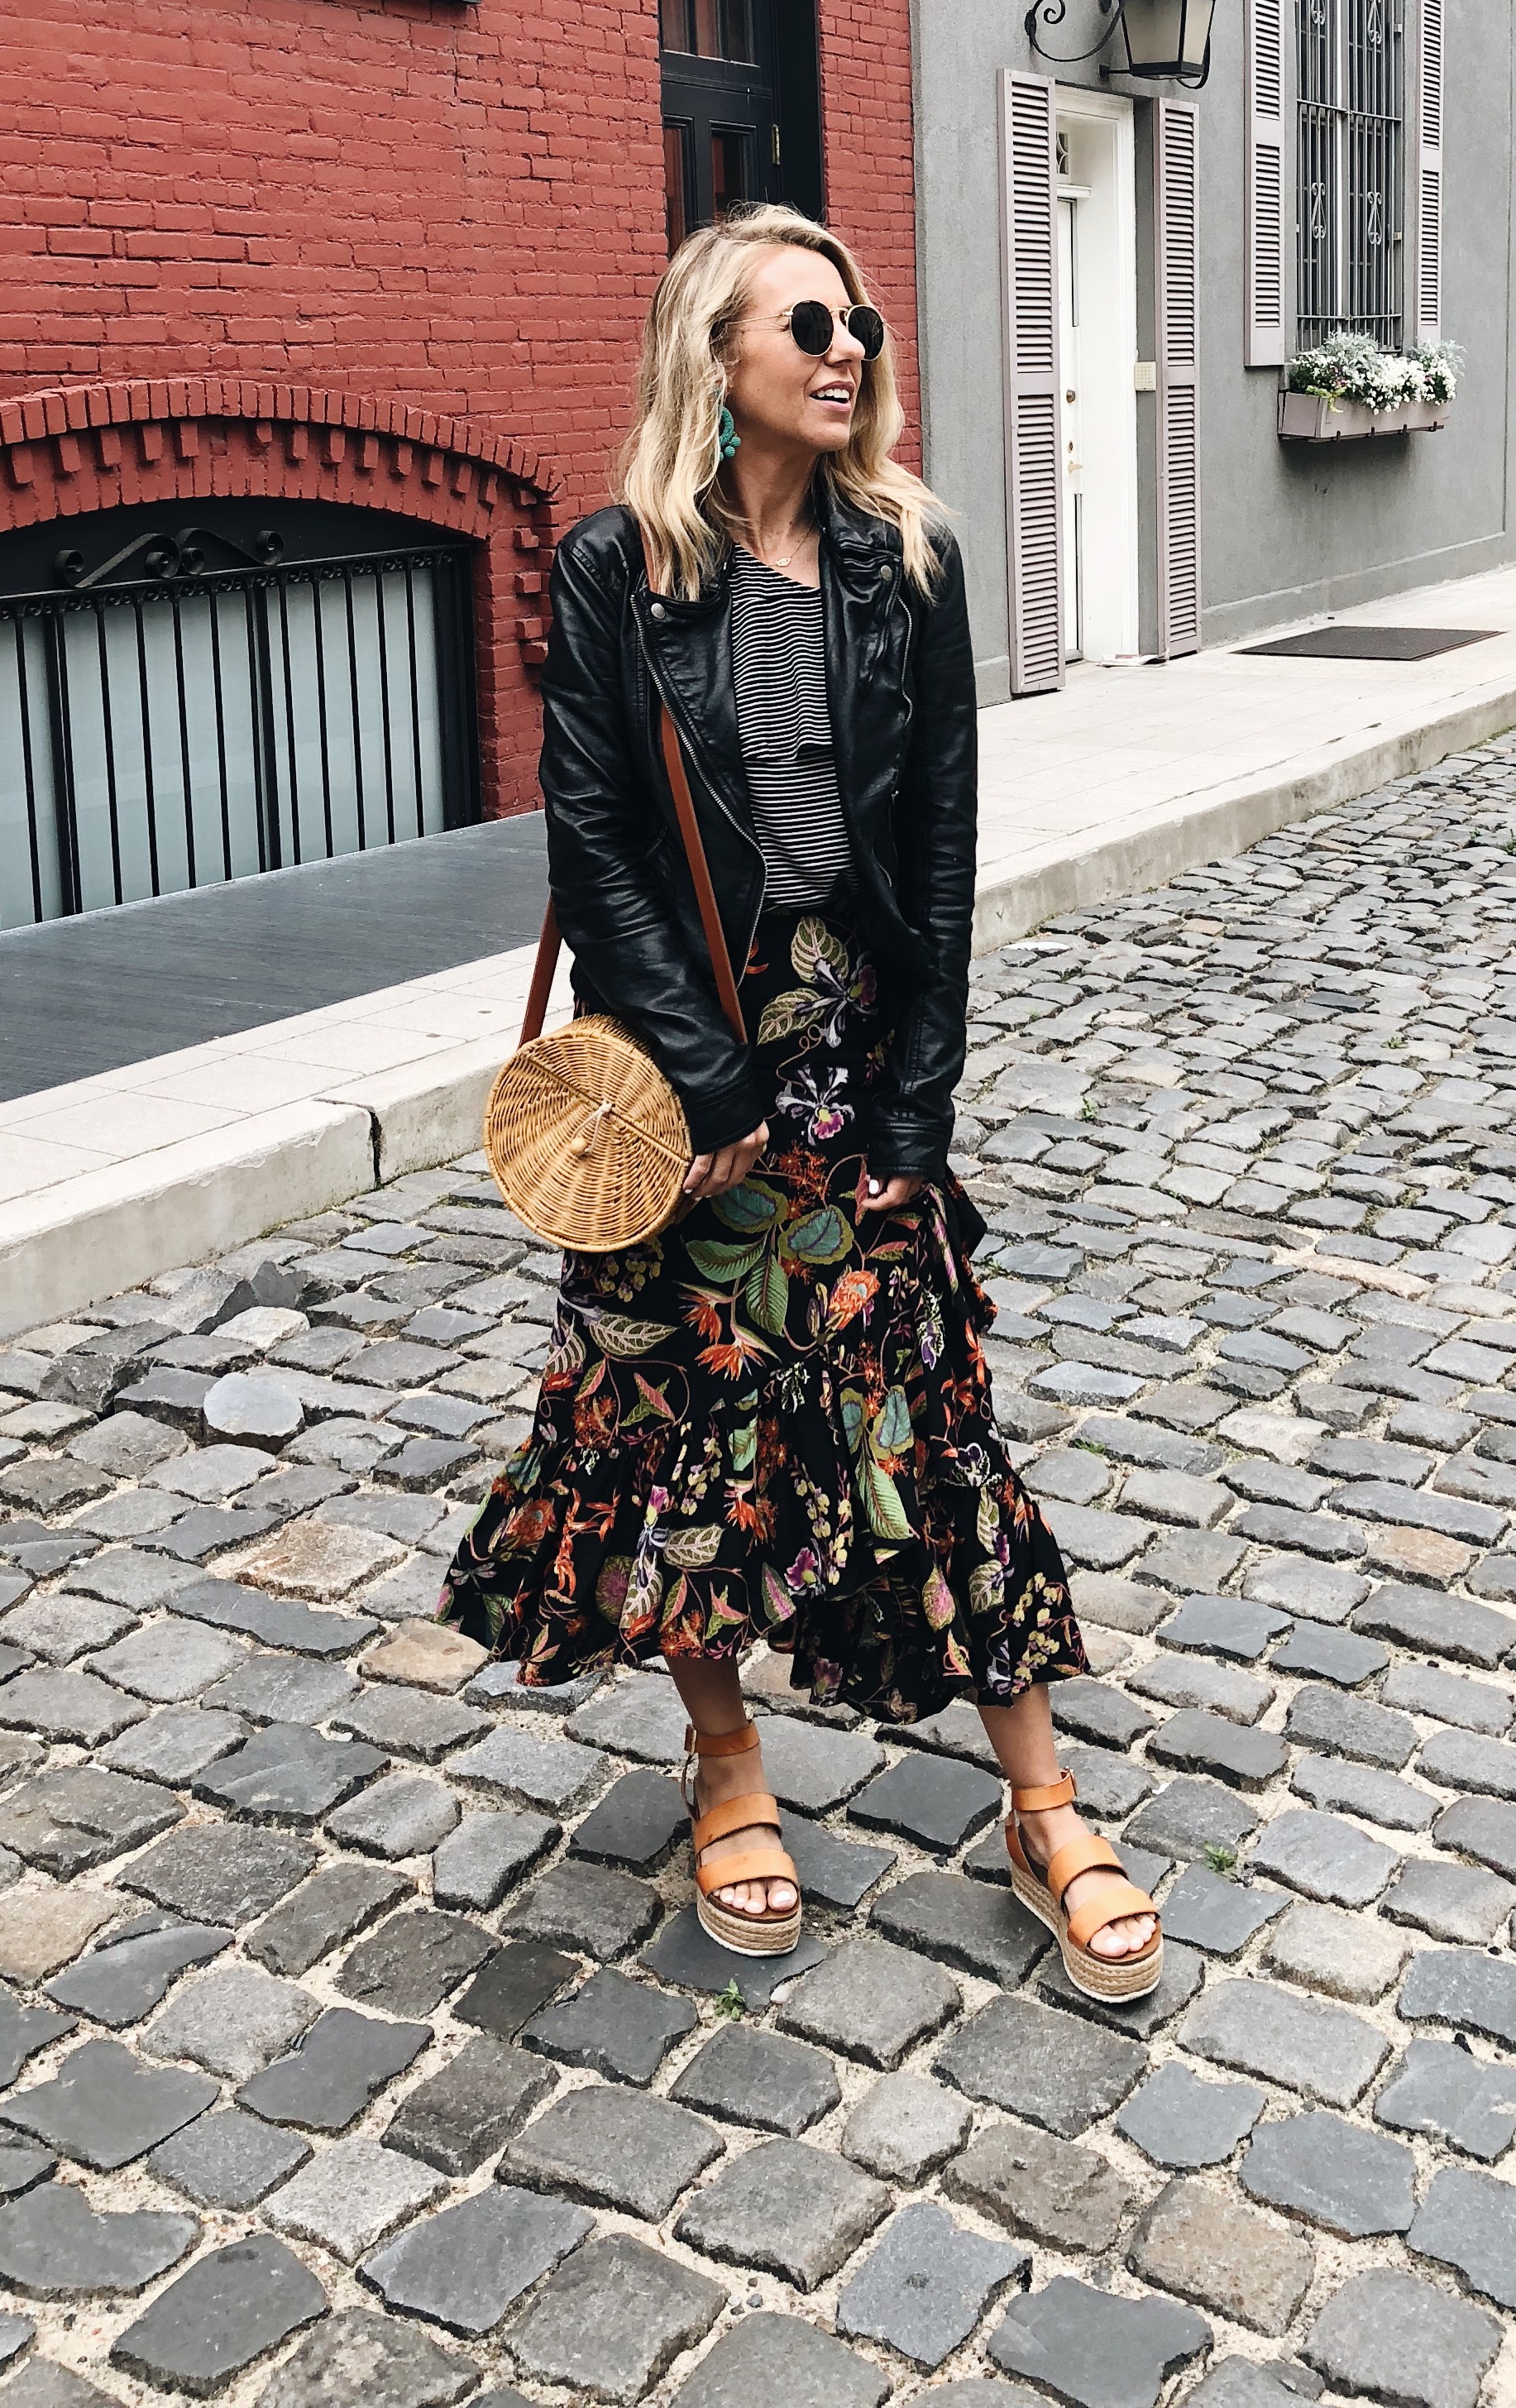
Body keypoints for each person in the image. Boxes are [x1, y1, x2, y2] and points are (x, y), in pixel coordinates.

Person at [441, 206, 1162, 1999]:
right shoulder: (619, 570)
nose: (846, 351)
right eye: (808, 325)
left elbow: (941, 851)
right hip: (688, 1072)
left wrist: (917, 1109)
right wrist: (701, 1074)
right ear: (719, 358)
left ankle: (1042, 1799)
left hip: (854, 1058)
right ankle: (731, 1764)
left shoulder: (910, 560)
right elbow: (594, 834)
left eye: (858, 327)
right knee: (679, 1429)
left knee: (927, 1421)